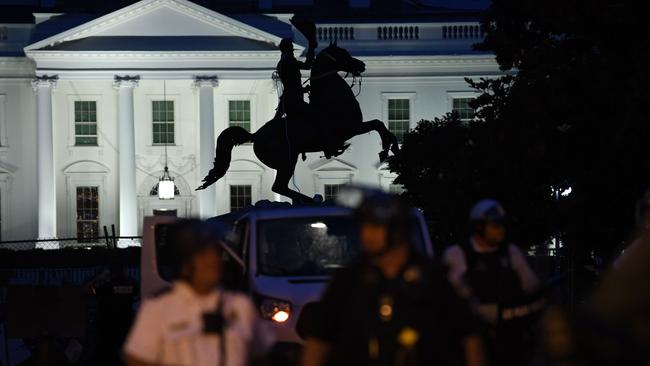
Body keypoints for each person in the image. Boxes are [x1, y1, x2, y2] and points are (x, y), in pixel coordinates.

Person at [301, 191, 486, 366]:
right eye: (365, 226)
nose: (366, 234)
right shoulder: (348, 280)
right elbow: (318, 341)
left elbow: (470, 338)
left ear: (397, 230)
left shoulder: (436, 278)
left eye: (374, 226)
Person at [123, 219, 273, 366]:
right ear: (185, 262)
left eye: (215, 253)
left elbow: (262, 354)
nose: (213, 260)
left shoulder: (240, 305)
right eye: (204, 255)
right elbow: (136, 358)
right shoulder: (159, 308)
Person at [443, 199, 542, 366]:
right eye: (495, 225)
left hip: (513, 338)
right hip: (476, 341)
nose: (501, 230)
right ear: (479, 227)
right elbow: (454, 299)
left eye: (502, 225)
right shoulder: (458, 255)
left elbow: (532, 286)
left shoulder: (511, 253)